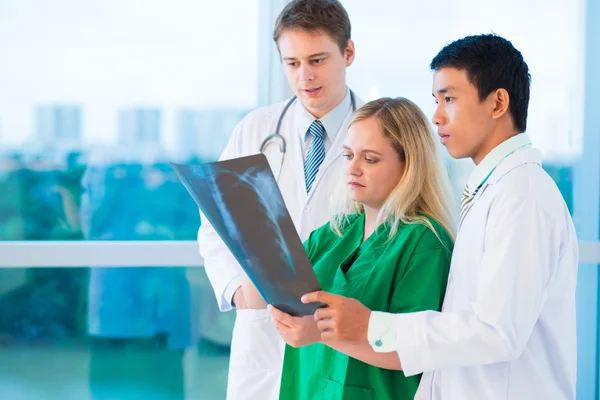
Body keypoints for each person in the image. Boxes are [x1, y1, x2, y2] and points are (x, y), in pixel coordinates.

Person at [302, 34, 579, 400]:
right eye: (436, 100)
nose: (436, 116)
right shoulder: (494, 191)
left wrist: (372, 326)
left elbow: (498, 332)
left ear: (498, 102)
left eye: (449, 99)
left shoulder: (522, 197)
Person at [196, 1, 363, 399]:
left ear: (349, 53)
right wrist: (239, 291)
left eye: (317, 60)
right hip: (263, 335)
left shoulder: (377, 133)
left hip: (338, 335)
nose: (304, 77)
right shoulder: (256, 130)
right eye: (291, 63)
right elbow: (215, 224)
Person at [268, 97, 455, 400]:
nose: (352, 169)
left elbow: (417, 349)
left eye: (370, 159)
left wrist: (321, 333)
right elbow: (284, 281)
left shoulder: (425, 244)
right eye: (348, 155)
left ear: (409, 165)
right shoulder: (335, 233)